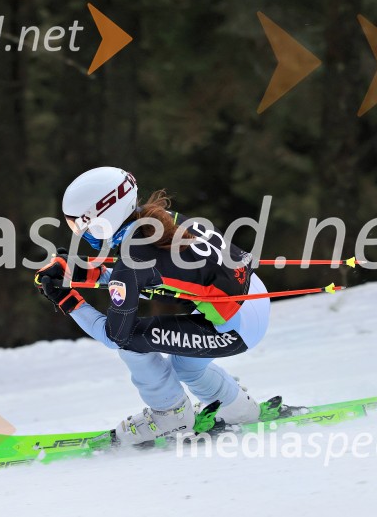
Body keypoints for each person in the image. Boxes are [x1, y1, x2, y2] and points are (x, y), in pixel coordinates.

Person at [34, 166, 273, 445]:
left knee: (130, 340)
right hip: (252, 299)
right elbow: (165, 281)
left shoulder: (132, 260)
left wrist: (68, 301)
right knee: (186, 368)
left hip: (235, 328)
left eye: (80, 226)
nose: (81, 235)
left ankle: (170, 416)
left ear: (103, 218)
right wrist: (88, 274)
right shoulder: (159, 219)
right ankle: (240, 411)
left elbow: (116, 336)